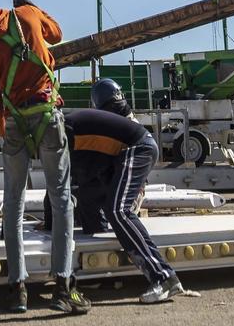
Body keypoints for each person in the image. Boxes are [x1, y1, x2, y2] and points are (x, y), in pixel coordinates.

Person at [0, 0, 90, 315]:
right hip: (48, 114)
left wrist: (7, 130)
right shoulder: (26, 15)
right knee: (61, 198)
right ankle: (63, 286)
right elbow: (57, 33)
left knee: (14, 204)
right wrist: (33, 7)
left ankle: (17, 288)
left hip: (15, 123)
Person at [67, 79, 183, 305]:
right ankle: (103, 269)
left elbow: (74, 174)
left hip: (134, 153)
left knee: (117, 211)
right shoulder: (114, 118)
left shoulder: (75, 129)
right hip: (126, 160)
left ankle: (164, 277)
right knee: (88, 199)